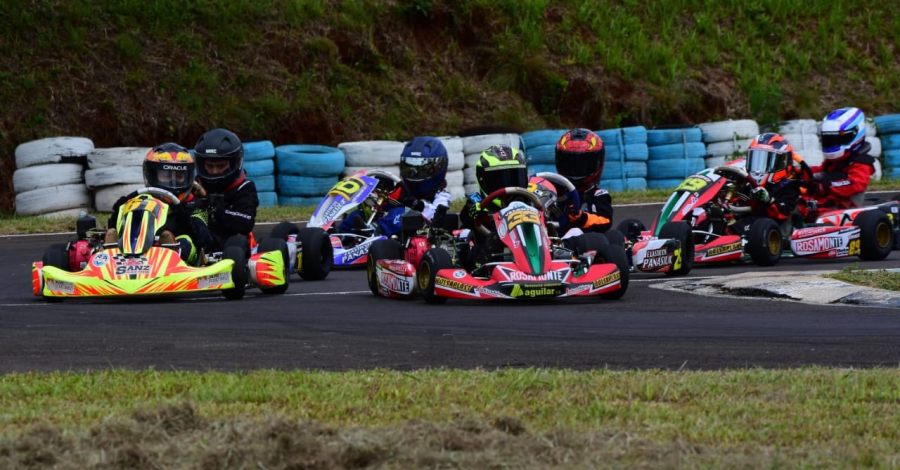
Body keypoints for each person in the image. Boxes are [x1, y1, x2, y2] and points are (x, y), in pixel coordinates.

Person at [106, 143, 210, 265]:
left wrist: (180, 210)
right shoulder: (143, 199)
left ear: (188, 177)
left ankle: (170, 250)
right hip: (137, 247)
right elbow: (113, 223)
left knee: (185, 241)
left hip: (175, 258)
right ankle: (111, 250)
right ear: (151, 174)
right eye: (166, 176)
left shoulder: (195, 205)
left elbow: (203, 240)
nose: (173, 182)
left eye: (179, 176)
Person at [338, 136, 451, 237]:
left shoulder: (442, 194)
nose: (414, 173)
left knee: (402, 213)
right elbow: (386, 203)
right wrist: (381, 191)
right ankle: (338, 237)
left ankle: (373, 232)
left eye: (420, 169)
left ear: (438, 167)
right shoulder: (403, 188)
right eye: (410, 167)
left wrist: (418, 205)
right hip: (388, 229)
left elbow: (436, 215)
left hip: (414, 234)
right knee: (359, 215)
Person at [459, 145, 529, 269]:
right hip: (490, 257)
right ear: (483, 179)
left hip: (530, 250)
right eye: (500, 179)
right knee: (489, 238)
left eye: (515, 178)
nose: (509, 186)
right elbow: (466, 215)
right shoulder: (477, 202)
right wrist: (477, 213)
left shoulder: (529, 202)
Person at [194, 128, 259, 250]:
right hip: (199, 239)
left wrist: (216, 210)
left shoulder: (244, 188)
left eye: (220, 166)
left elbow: (246, 222)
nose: (214, 171)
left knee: (236, 242)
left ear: (235, 163)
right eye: (209, 166)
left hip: (231, 246)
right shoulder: (195, 186)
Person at [807, 107, 876, 209]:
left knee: (800, 208)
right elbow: (820, 172)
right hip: (824, 203)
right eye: (829, 139)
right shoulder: (835, 161)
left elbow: (855, 184)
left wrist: (825, 186)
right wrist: (799, 172)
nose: (832, 143)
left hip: (844, 209)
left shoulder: (861, 162)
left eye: (836, 139)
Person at [554, 128, 613, 234]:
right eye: (570, 164)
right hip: (552, 242)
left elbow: (606, 221)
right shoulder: (553, 191)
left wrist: (583, 218)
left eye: (583, 165)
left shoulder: (598, 195)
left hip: (585, 244)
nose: (576, 170)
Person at [743, 132, 811, 224]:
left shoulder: (790, 185)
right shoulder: (749, 183)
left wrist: (769, 199)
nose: (759, 166)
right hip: (750, 225)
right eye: (756, 159)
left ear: (782, 162)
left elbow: (783, 212)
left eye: (765, 161)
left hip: (777, 230)